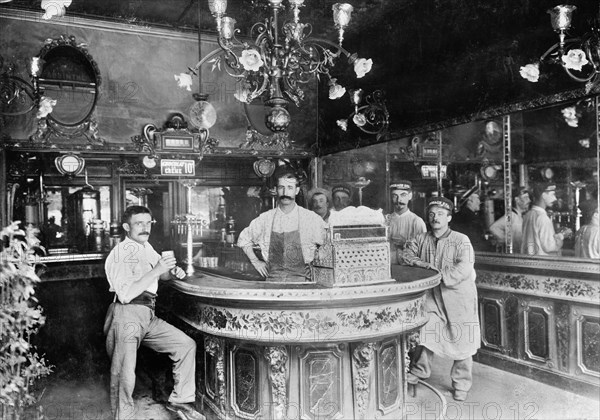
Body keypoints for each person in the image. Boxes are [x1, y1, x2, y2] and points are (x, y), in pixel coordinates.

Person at [104, 205, 204, 420]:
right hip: (127, 313)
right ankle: (124, 417)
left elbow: (160, 277)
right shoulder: (121, 252)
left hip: (148, 313)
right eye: (139, 223)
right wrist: (158, 270)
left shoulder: (146, 247)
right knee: (124, 373)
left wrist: (171, 272)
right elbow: (126, 294)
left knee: (185, 345)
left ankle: (180, 401)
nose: (145, 227)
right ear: (126, 227)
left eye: (148, 223)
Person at [402, 197, 480, 402]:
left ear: (449, 217)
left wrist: (440, 276)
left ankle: (461, 385)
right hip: (433, 294)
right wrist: (425, 266)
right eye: (432, 214)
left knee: (462, 340)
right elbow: (406, 256)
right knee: (427, 330)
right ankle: (419, 371)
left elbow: (464, 267)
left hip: (458, 295)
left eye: (440, 214)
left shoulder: (461, 240)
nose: (435, 218)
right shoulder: (421, 238)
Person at [238, 169, 327, 282]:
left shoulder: (311, 218)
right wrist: (256, 262)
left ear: (297, 190)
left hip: (302, 282)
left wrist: (317, 262)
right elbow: (243, 239)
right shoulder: (266, 218)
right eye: (281, 187)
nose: (285, 193)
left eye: (290, 188)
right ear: (276, 190)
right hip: (272, 282)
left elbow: (328, 243)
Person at [521, 182, 572, 256]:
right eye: (552, 194)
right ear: (543, 195)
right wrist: (562, 235)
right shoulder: (543, 217)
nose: (555, 198)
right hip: (541, 263)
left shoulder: (528, 215)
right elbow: (549, 247)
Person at [385, 181, 426, 264]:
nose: (399, 200)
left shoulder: (417, 222)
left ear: (410, 196)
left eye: (403, 195)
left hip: (410, 266)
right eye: (395, 196)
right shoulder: (385, 220)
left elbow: (423, 251)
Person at [488, 188, 531, 252]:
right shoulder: (511, 216)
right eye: (526, 198)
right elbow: (493, 227)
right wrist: (507, 241)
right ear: (517, 200)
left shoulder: (520, 216)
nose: (529, 200)